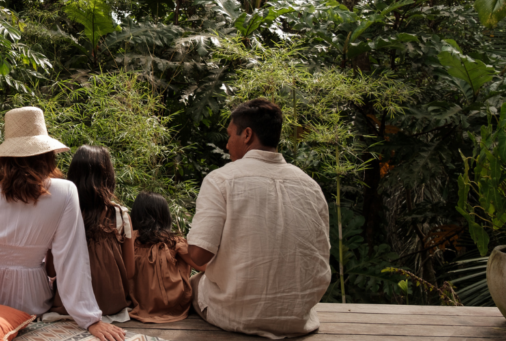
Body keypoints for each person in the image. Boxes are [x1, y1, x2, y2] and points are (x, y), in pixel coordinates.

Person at [0, 107, 125, 341]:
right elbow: (71, 257)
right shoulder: (65, 191)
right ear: (47, 153)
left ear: (6, 155)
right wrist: (89, 318)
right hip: (27, 295)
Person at [187, 99, 330, 339]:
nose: (227, 143)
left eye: (230, 135)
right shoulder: (310, 186)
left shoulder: (221, 179)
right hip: (298, 318)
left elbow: (199, 255)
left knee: (192, 284)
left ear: (247, 135)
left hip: (237, 315)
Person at [49, 145, 134, 321]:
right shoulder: (120, 214)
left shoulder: (60, 213)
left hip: (68, 305)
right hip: (112, 304)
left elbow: (50, 269)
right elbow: (130, 271)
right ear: (108, 177)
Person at [128, 191, 205, 323]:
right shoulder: (173, 242)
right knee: (202, 277)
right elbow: (203, 266)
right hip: (173, 307)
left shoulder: (128, 241)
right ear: (164, 216)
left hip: (136, 304)